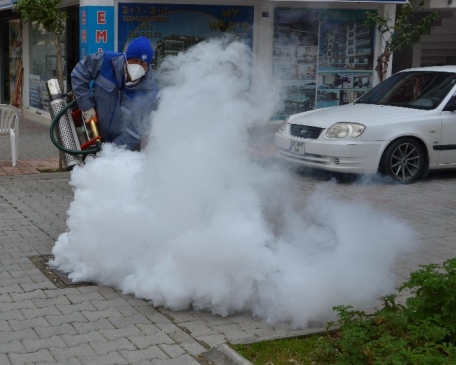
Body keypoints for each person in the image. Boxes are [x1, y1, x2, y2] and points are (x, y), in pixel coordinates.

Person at [71, 36, 159, 150]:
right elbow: (78, 75)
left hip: (124, 148)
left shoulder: (150, 92)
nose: (138, 66)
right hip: (94, 131)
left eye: (143, 63)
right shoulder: (106, 61)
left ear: (148, 65)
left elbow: (136, 131)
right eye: (135, 60)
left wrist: (111, 151)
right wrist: (86, 105)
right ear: (126, 58)